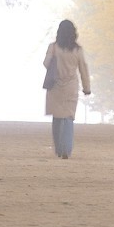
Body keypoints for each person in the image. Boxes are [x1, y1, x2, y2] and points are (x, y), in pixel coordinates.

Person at [43, 19, 91, 159]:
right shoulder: (78, 50)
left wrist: (53, 58)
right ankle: (67, 149)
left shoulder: (53, 47)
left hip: (55, 86)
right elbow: (83, 69)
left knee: (57, 118)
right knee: (68, 118)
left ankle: (59, 148)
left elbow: (46, 64)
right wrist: (86, 87)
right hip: (71, 86)